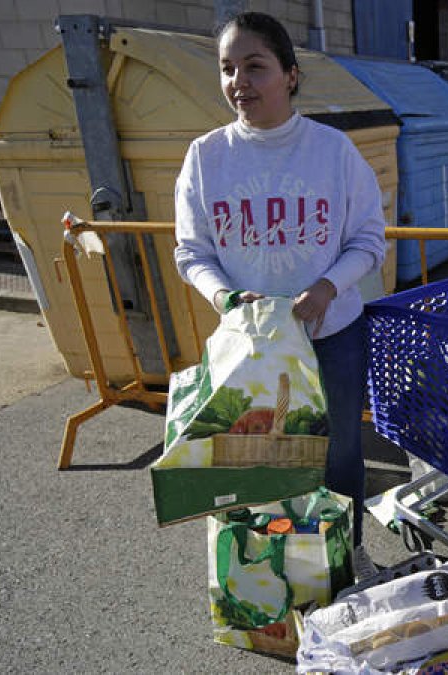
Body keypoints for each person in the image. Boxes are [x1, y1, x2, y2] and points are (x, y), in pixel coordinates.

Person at [173, 12, 386, 546]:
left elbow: (368, 241)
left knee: (338, 456)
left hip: (332, 337)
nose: (238, 82)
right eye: (227, 69)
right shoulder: (205, 158)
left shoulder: (333, 152)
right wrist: (223, 297)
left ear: (290, 74)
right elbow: (192, 252)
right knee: (259, 458)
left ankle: (344, 556)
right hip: (251, 345)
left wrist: (327, 288)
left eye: (254, 66)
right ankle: (278, 566)